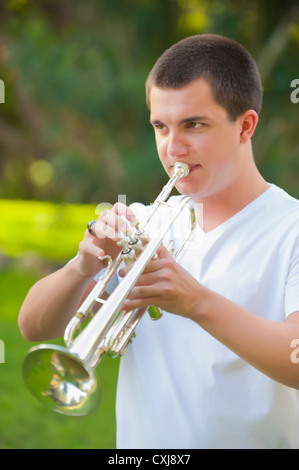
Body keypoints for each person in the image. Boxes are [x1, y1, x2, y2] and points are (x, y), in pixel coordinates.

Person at [18, 34, 299, 449]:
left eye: (194, 125)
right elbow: (34, 326)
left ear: (245, 125)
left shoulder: (290, 228)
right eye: (160, 126)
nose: (173, 148)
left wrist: (197, 302)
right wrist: (82, 266)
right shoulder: (146, 224)